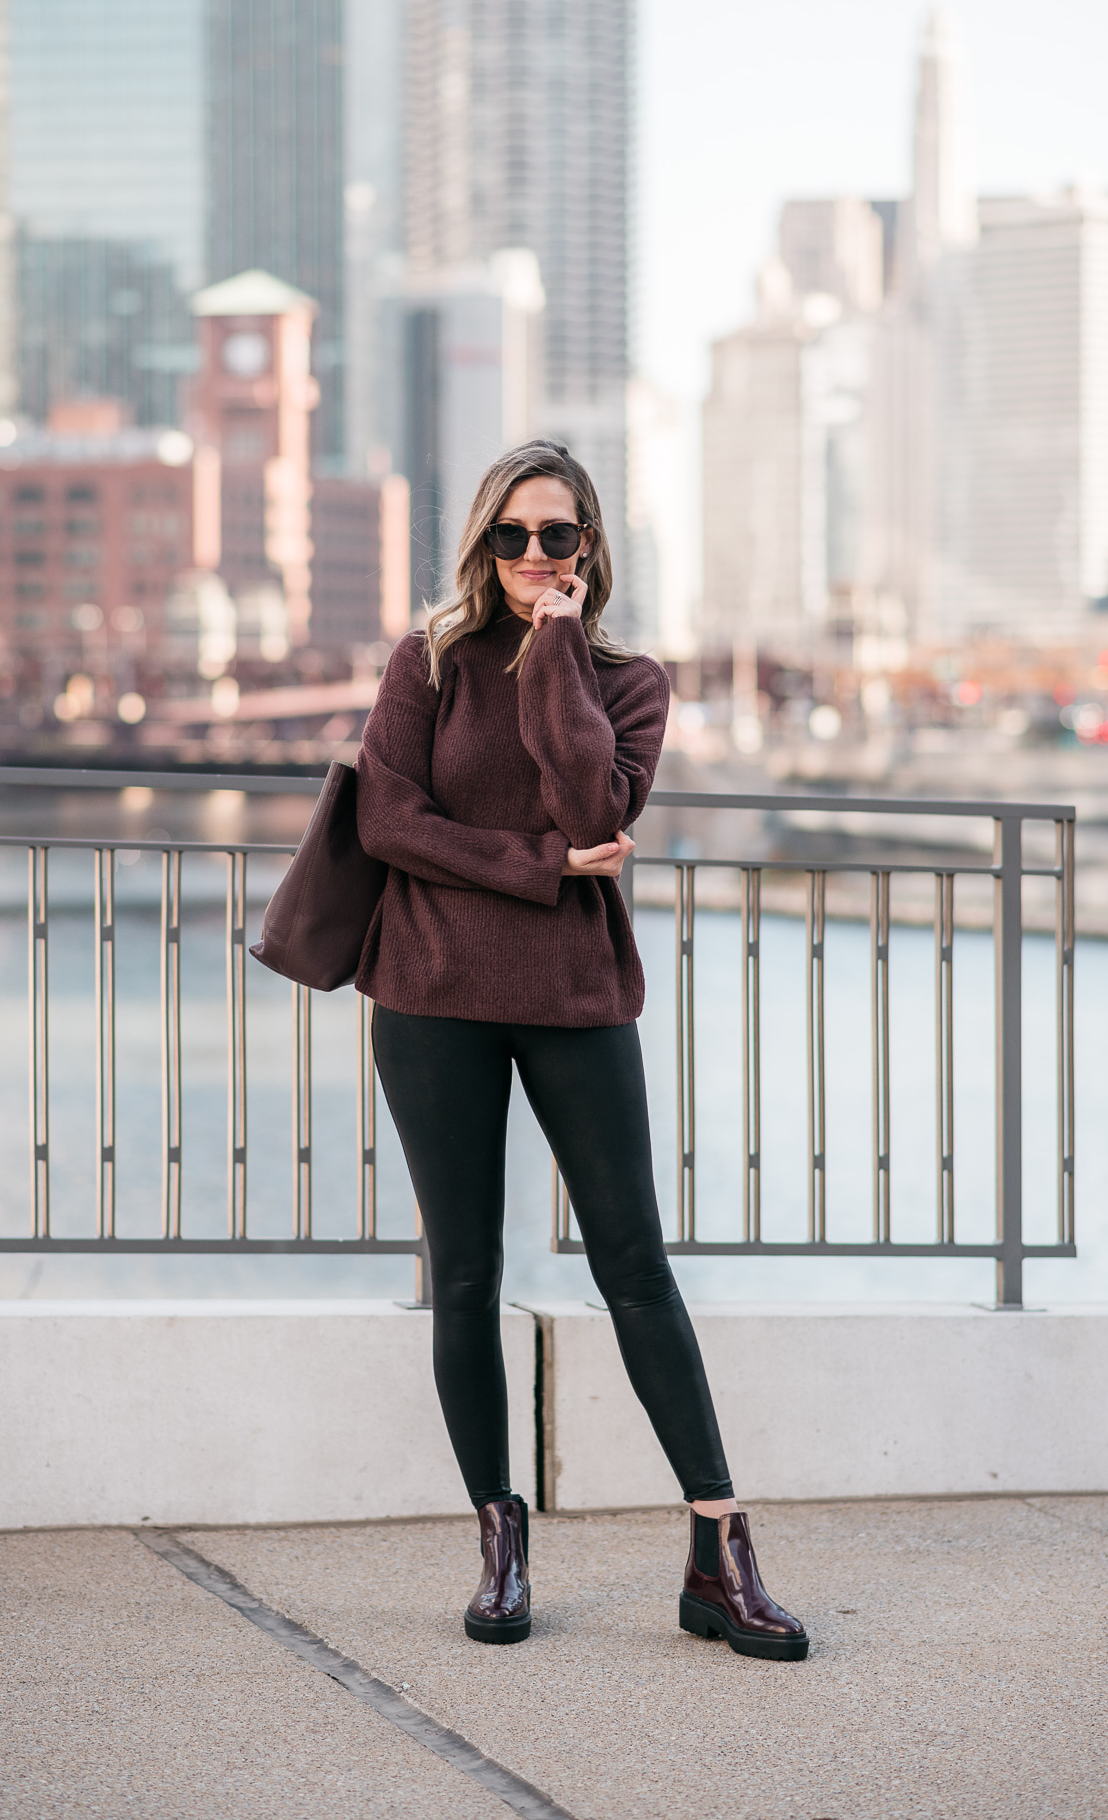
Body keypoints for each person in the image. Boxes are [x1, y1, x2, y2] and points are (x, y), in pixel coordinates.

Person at [355, 440, 807, 1662]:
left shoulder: (628, 680)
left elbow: (596, 802)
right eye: (512, 536)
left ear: (591, 548)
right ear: (481, 544)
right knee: (464, 1274)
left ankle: (720, 1549)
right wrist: (540, 869)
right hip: (432, 993)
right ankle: (501, 1539)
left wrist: (556, 648)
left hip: (576, 996)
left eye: (558, 536)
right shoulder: (428, 662)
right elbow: (388, 818)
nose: (534, 557)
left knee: (637, 1265)